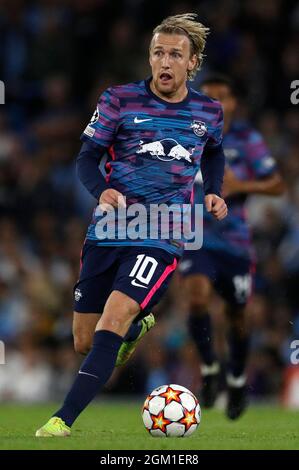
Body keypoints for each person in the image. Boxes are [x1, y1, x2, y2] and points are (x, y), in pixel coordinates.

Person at [36, 13, 227, 437]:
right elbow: (87, 157)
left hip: (164, 230)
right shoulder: (119, 100)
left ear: (192, 63)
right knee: (84, 341)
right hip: (109, 228)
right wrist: (100, 191)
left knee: (113, 319)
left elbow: (213, 152)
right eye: (158, 52)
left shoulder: (208, 110)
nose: (165, 61)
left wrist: (213, 190)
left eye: (175, 54)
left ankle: (60, 419)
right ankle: (139, 326)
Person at [179, 75, 285, 419]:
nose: (215, 102)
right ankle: (210, 367)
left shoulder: (246, 138)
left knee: (237, 316)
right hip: (196, 237)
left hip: (236, 243)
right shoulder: (184, 133)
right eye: (208, 96)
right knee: (196, 296)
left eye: (222, 96)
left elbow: (277, 183)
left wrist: (242, 184)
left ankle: (237, 378)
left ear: (234, 103)